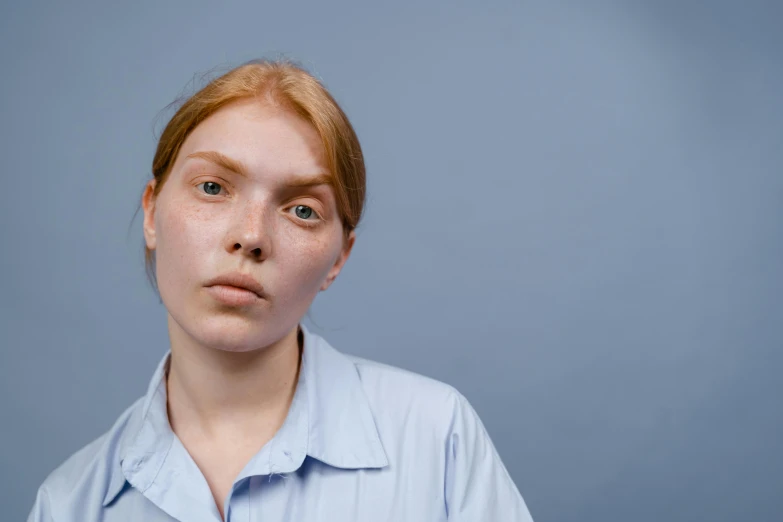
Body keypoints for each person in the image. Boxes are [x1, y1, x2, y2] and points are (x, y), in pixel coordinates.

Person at [26, 58, 534, 522]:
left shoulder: (438, 440)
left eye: (302, 210)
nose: (250, 236)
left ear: (339, 258)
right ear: (152, 211)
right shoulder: (70, 503)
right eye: (212, 187)